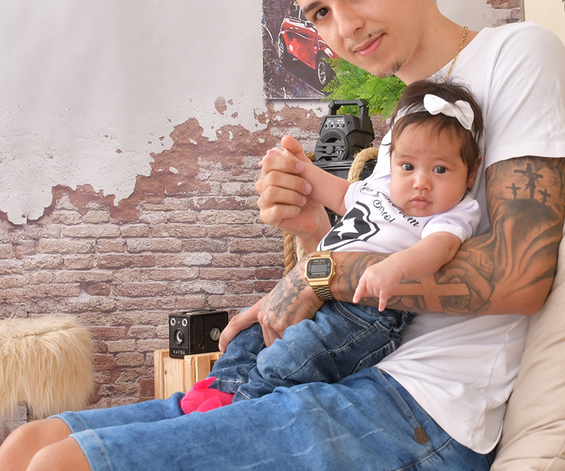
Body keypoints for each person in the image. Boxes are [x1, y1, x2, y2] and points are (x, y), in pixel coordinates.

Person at [0, 0, 565, 471]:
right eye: (320, 13)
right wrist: (312, 228)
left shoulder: (515, 56)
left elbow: (521, 276)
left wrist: (318, 274)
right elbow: (355, 271)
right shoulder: (403, 130)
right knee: (29, 450)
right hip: (345, 376)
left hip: (425, 417)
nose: (344, 26)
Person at [183, 78, 484, 410]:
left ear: (471, 172)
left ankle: (247, 402)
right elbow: (339, 195)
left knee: (297, 353)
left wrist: (395, 268)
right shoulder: (380, 188)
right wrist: (297, 167)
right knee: (252, 326)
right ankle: (221, 386)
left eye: (440, 169)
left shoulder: (455, 212)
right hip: (322, 287)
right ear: (393, 161)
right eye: (408, 166)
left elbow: (438, 249)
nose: (421, 182)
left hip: (365, 310)